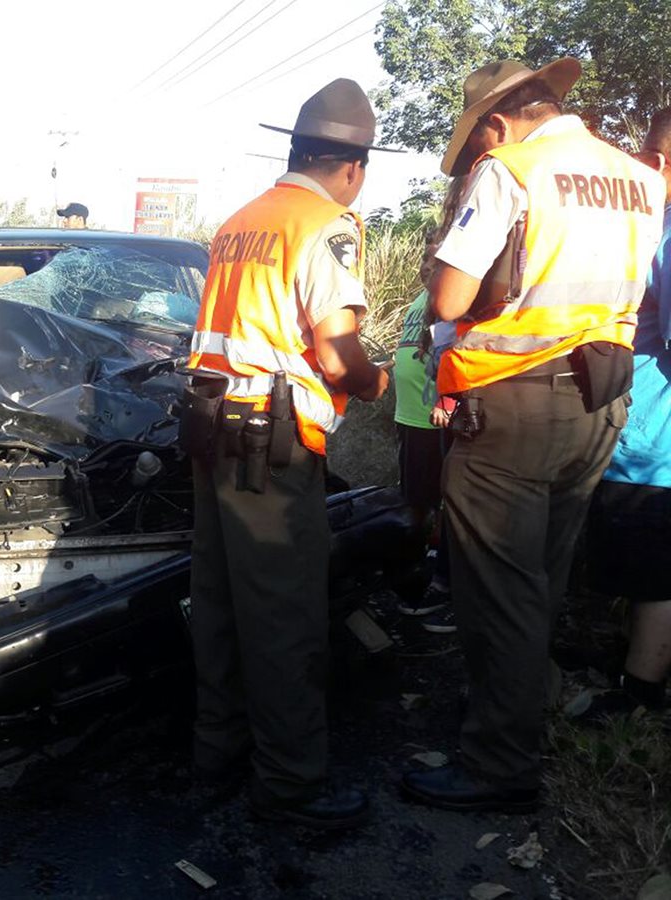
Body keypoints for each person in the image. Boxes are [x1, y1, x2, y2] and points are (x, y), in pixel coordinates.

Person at [401, 59, 667, 813]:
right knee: (542, 576)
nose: (479, 151)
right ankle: (521, 707)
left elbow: (449, 296)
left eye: (478, 138)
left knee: (499, 587)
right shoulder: (641, 179)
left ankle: (500, 763)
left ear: (496, 121)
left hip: (512, 403)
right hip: (599, 403)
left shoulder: (511, 169)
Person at [183, 78, 393, 830]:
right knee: (283, 612)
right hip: (270, 447)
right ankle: (291, 783)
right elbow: (335, 354)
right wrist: (375, 383)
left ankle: (218, 751)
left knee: (219, 599)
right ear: (353, 168)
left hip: (212, 428)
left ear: (297, 151)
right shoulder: (326, 224)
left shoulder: (241, 221)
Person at [585, 107, 671, 714]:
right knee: (639, 567)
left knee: (654, 573)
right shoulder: (654, 227)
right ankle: (629, 664)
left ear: (659, 162)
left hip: (655, 445)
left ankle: (639, 694)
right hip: (638, 435)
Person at [393, 177, 466, 630]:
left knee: (437, 500)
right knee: (414, 496)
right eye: (425, 259)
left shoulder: (450, 304)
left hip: (434, 420)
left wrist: (446, 398)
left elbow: (452, 355)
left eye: (435, 261)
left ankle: (435, 571)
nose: (426, 266)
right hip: (409, 418)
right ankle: (413, 559)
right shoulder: (419, 302)